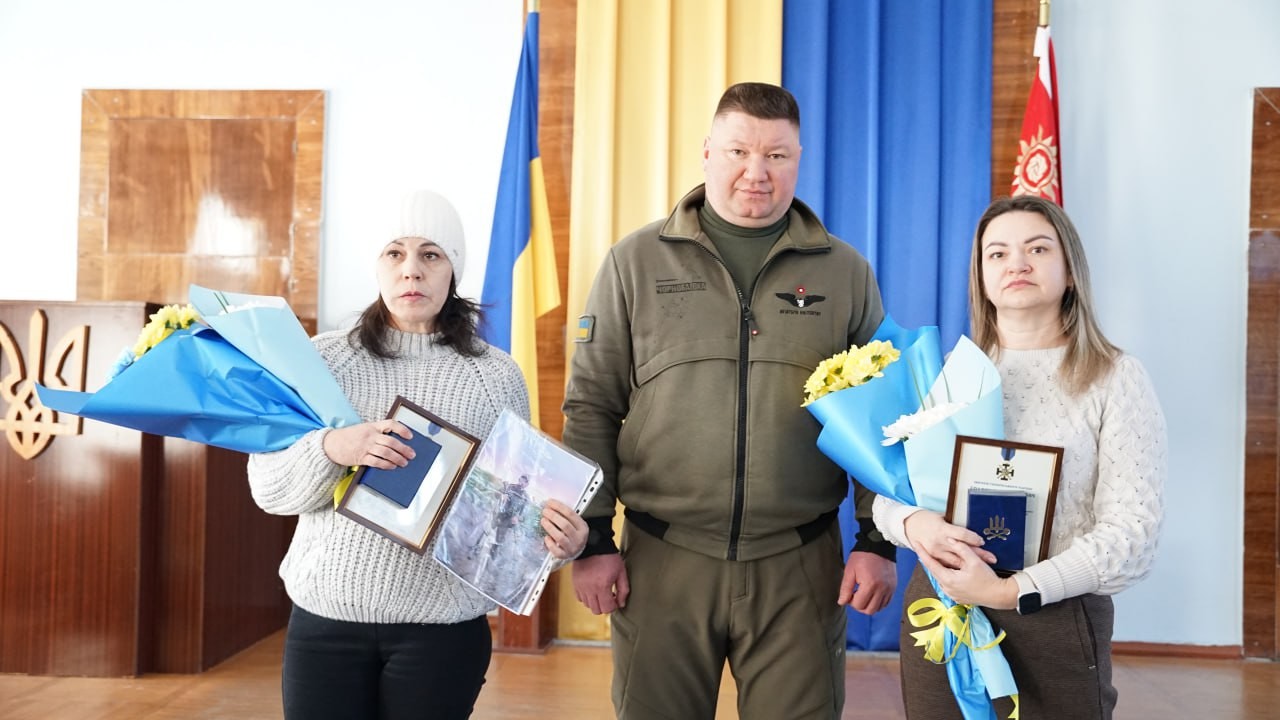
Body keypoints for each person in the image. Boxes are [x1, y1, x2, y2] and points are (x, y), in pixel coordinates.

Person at [562, 82, 898, 720]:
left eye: (777, 155)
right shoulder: (633, 262)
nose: (757, 171)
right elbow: (591, 407)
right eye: (739, 150)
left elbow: (882, 418)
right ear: (707, 152)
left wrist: (878, 542)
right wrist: (593, 540)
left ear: (799, 159)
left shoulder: (845, 272)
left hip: (800, 564)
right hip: (661, 560)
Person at [246, 189, 588, 720]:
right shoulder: (323, 360)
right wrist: (334, 446)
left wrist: (559, 542)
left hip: (443, 634)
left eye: (431, 254)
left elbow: (515, 510)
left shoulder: (495, 375)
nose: (412, 270)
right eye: (395, 253)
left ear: (454, 270)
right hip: (325, 623)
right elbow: (267, 489)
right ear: (377, 267)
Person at [872, 195, 1167, 719]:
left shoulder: (1115, 377)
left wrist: (1013, 590)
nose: (1017, 264)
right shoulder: (947, 374)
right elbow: (887, 495)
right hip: (943, 607)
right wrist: (915, 525)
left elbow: (1132, 532)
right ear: (981, 276)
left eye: (1037, 248)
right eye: (998, 253)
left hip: (1054, 616)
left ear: (1070, 270)